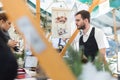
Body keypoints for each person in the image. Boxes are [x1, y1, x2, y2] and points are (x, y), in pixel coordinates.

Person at [0, 12, 18, 80]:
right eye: (9, 23)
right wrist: (7, 44)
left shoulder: (4, 34)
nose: (10, 26)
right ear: (2, 21)